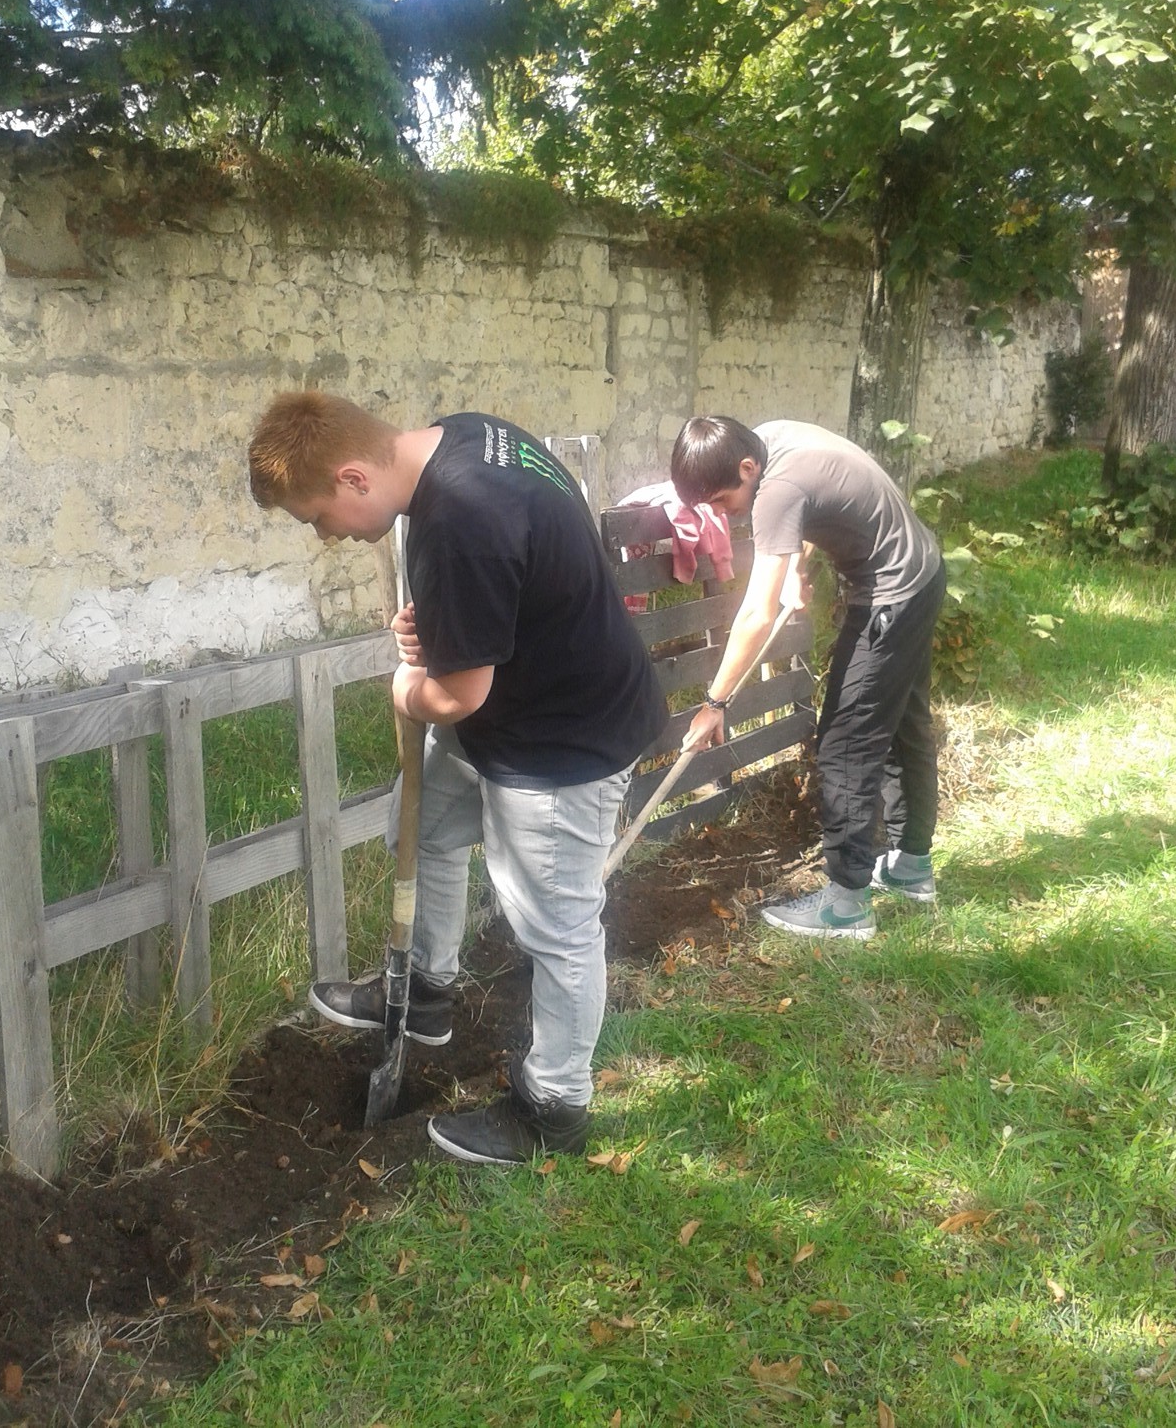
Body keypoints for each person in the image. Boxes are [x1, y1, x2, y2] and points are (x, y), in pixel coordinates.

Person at [248, 392, 667, 1163]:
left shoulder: (462, 521)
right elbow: (507, 586)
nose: (326, 536)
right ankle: (427, 995)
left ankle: (554, 1109)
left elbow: (455, 694)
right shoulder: (467, 438)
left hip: (562, 743)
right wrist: (440, 626)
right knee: (429, 827)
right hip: (519, 702)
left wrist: (406, 690)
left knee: (558, 928)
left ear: (352, 478)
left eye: (315, 518)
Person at [670, 416, 946, 939]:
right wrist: (797, 568)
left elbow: (755, 612)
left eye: (722, 501)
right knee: (905, 727)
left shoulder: (775, 490)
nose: (722, 514)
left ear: (746, 469)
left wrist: (715, 702)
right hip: (922, 575)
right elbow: (823, 503)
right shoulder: (768, 438)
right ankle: (911, 869)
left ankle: (845, 906)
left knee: (845, 742)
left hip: (890, 596)